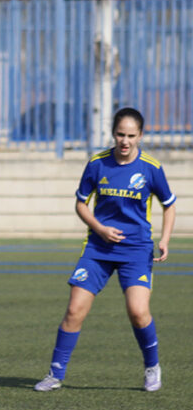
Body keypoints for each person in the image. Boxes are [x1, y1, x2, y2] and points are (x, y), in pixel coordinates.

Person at [34, 107, 176, 393]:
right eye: (120, 134)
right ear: (113, 134)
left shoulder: (151, 167)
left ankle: (152, 368)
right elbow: (81, 203)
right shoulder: (98, 163)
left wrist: (165, 239)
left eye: (131, 136)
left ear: (141, 136)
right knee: (74, 310)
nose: (125, 141)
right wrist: (99, 228)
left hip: (136, 250)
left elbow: (169, 204)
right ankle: (55, 374)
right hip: (98, 249)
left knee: (138, 311)